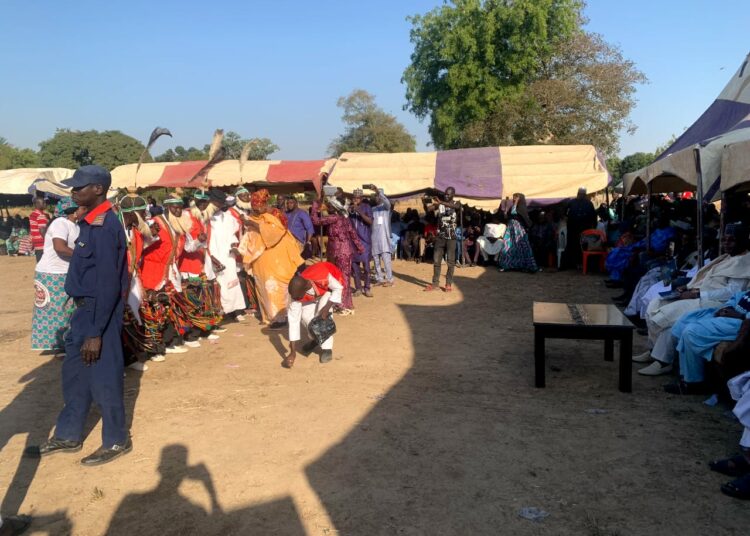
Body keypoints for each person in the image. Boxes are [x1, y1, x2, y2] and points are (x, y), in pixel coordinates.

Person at [28, 165, 131, 466]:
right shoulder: (87, 223)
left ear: (98, 189)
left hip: (99, 315)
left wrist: (96, 332)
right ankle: (69, 434)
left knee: (104, 379)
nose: (74, 192)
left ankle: (116, 441)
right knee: (74, 377)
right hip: (82, 313)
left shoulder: (103, 226)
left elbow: (108, 284)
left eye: (79, 187)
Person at [633, 224, 750, 375]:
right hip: (700, 295)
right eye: (724, 240)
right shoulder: (729, 257)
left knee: (670, 317)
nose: (726, 243)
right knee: (657, 302)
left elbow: (732, 292)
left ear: (742, 241)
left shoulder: (745, 262)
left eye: (731, 240)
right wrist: (689, 288)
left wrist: (697, 294)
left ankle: (662, 361)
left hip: (715, 303)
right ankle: (653, 350)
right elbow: (706, 279)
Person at [656, 290, 750, 391]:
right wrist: (726, 308)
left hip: (741, 324)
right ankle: (686, 377)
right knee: (685, 322)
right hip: (729, 316)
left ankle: (693, 383)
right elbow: (737, 296)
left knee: (691, 332)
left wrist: (741, 316)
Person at [239, 189, 303, 327]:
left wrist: (253, 224)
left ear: (263, 205)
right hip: (262, 260)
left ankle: (280, 318)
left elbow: (275, 233)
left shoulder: (274, 214)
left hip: (277, 258)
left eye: (257, 208)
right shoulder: (256, 216)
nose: (255, 211)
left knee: (275, 287)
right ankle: (269, 316)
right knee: (263, 288)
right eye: (253, 209)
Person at [164, 194, 221, 344]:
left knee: (200, 299)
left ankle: (203, 330)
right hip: (183, 269)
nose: (177, 210)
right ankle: (190, 335)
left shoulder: (190, 220)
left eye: (178, 207)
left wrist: (198, 241)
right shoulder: (181, 219)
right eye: (174, 208)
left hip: (197, 264)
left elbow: (189, 246)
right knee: (190, 301)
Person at [31, 197, 83, 356]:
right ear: (74, 211)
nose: (85, 211)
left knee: (67, 309)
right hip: (51, 273)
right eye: (82, 208)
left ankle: (64, 343)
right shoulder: (60, 223)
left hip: (64, 271)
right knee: (56, 310)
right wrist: (82, 257)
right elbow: (60, 248)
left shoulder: (74, 225)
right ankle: (58, 345)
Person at [284, 261, 344, 368]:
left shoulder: (322, 275)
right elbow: (293, 321)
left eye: (298, 297)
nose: (296, 299)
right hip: (312, 297)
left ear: (306, 288)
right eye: (296, 298)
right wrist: (292, 352)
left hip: (328, 290)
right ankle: (315, 339)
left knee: (322, 318)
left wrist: (326, 309)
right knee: (306, 318)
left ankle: (327, 349)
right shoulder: (295, 293)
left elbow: (338, 288)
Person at [311, 196, 364, 314]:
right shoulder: (345, 218)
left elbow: (316, 221)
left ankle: (341, 304)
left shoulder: (334, 217)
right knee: (344, 277)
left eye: (330, 205)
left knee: (339, 277)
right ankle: (346, 304)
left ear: (334, 207)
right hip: (344, 251)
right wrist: (360, 247)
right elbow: (353, 234)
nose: (328, 207)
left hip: (338, 252)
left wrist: (315, 206)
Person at [207, 189, 247, 323]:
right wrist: (211, 257)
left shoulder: (228, 216)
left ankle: (236, 310)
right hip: (214, 256)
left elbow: (232, 234)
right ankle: (222, 313)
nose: (220, 206)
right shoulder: (206, 218)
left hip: (228, 256)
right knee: (219, 285)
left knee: (232, 283)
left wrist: (234, 247)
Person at [423, 187, 459, 292]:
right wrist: (426, 202)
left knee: (451, 262)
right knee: (436, 261)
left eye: (448, 194)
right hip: (440, 237)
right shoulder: (440, 205)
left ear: (453, 194)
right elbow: (428, 210)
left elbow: (455, 207)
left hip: (451, 237)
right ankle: (435, 284)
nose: (446, 196)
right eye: (445, 194)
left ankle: (448, 284)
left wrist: (442, 202)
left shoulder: (457, 203)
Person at [498, 193, 538, 273]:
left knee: (522, 247)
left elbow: (514, 212)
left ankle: (526, 266)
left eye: (515, 198)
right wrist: (505, 212)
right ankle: (507, 265)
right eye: (513, 198)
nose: (514, 199)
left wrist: (515, 203)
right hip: (510, 230)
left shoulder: (521, 208)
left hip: (519, 230)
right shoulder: (512, 207)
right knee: (507, 246)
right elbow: (507, 217)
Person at [367, 184, 394, 287]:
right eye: (376, 196)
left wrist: (377, 191)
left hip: (384, 238)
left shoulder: (386, 208)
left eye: (379, 196)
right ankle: (379, 278)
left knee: (386, 260)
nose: (378, 198)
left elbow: (387, 202)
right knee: (376, 260)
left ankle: (389, 279)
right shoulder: (372, 209)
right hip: (374, 238)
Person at [348, 189, 373, 297]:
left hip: (365, 241)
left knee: (366, 266)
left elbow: (370, 221)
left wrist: (359, 211)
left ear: (361, 198)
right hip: (353, 241)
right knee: (355, 266)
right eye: (354, 198)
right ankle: (358, 288)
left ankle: (367, 288)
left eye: (357, 198)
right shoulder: (349, 209)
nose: (355, 199)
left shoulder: (367, 207)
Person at [565, 187, 596, 268]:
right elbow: (565, 213)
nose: (581, 196)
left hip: (585, 229)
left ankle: (583, 263)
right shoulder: (571, 202)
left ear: (585, 195)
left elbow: (593, 216)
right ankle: (572, 264)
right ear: (577, 194)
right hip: (572, 229)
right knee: (572, 246)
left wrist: (593, 227)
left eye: (583, 194)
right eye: (580, 194)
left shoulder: (589, 204)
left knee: (583, 247)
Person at [28, 197, 49, 262]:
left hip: (37, 243)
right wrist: (48, 242)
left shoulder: (33, 214)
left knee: (39, 262)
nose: (45, 204)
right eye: (43, 203)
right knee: (44, 263)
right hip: (42, 243)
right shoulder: (41, 215)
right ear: (37, 204)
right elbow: (42, 230)